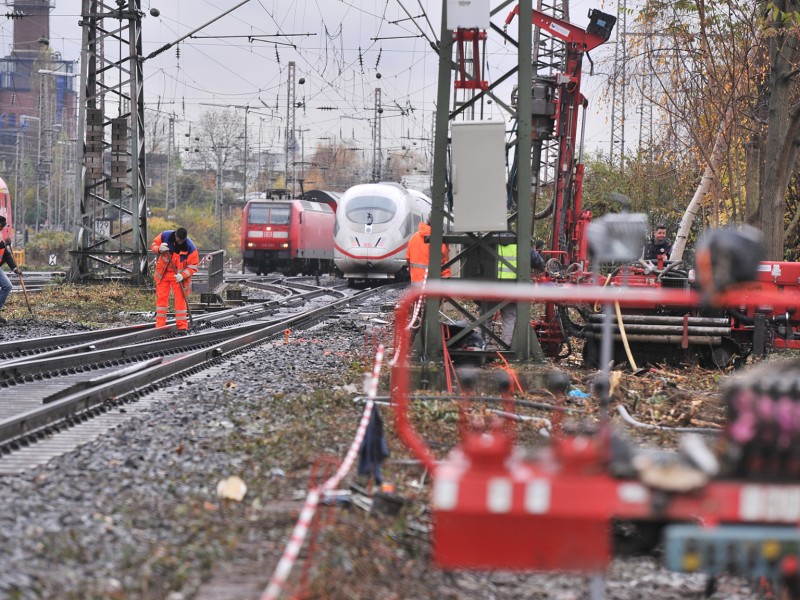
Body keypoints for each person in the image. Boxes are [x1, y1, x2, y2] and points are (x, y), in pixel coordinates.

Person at [151, 227, 199, 334]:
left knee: (180, 301)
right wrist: (159, 248)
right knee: (161, 300)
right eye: (178, 240)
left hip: (178, 277)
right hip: (163, 274)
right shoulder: (165, 236)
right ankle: (160, 326)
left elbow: (193, 266)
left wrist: (182, 275)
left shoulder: (190, 248)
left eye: (182, 241)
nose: (180, 242)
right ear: (175, 235)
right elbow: (153, 245)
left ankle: (182, 327)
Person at [406, 216, 450, 285]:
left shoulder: (414, 238)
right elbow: (444, 265)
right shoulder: (439, 240)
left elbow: (408, 259)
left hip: (416, 286)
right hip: (432, 287)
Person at [0, 215, 19, 324]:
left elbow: (6, 255)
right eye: (2, 224)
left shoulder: (1, 235)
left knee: (7, 286)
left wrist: (15, 268)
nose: (3, 227)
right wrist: (3, 244)